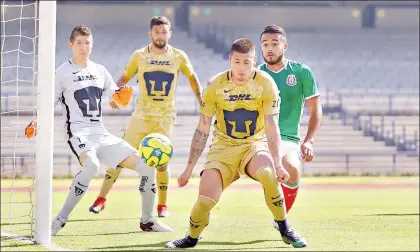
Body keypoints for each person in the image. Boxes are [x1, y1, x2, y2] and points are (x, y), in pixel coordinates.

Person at [25, 25, 172, 235]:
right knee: (91, 165)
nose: (84, 47)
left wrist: (121, 98)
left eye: (87, 43)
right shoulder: (62, 73)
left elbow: (116, 99)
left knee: (147, 166)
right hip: (79, 133)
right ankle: (59, 219)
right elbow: (49, 102)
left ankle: (148, 220)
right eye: (79, 43)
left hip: (101, 133)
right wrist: (36, 122)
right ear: (71, 45)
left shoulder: (100, 70)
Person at [164, 38, 307, 249]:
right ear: (230, 59)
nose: (242, 68)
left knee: (268, 174)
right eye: (237, 62)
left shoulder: (266, 83)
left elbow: (272, 126)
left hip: (253, 146)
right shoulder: (214, 85)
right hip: (223, 149)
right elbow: (202, 128)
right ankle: (192, 237)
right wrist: (189, 168)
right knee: (204, 202)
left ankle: (284, 227)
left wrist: (277, 164)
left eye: (247, 62)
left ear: (254, 61)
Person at [89, 16, 202, 219]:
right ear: (150, 33)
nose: (160, 36)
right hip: (141, 116)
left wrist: (202, 101)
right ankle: (101, 199)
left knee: (162, 162)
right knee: (120, 156)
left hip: (165, 118)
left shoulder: (179, 56)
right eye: (157, 32)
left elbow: (193, 80)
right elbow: (124, 79)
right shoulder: (139, 55)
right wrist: (115, 96)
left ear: (170, 34)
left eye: (164, 32)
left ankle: (162, 206)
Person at [258, 25, 322, 220]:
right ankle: (199, 223)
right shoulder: (256, 74)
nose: (269, 48)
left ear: (284, 46)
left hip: (287, 138)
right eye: (265, 44)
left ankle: (281, 220)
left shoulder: (301, 72)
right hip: (257, 138)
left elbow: (316, 109)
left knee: (292, 168)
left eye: (274, 44)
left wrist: (309, 140)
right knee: (223, 174)